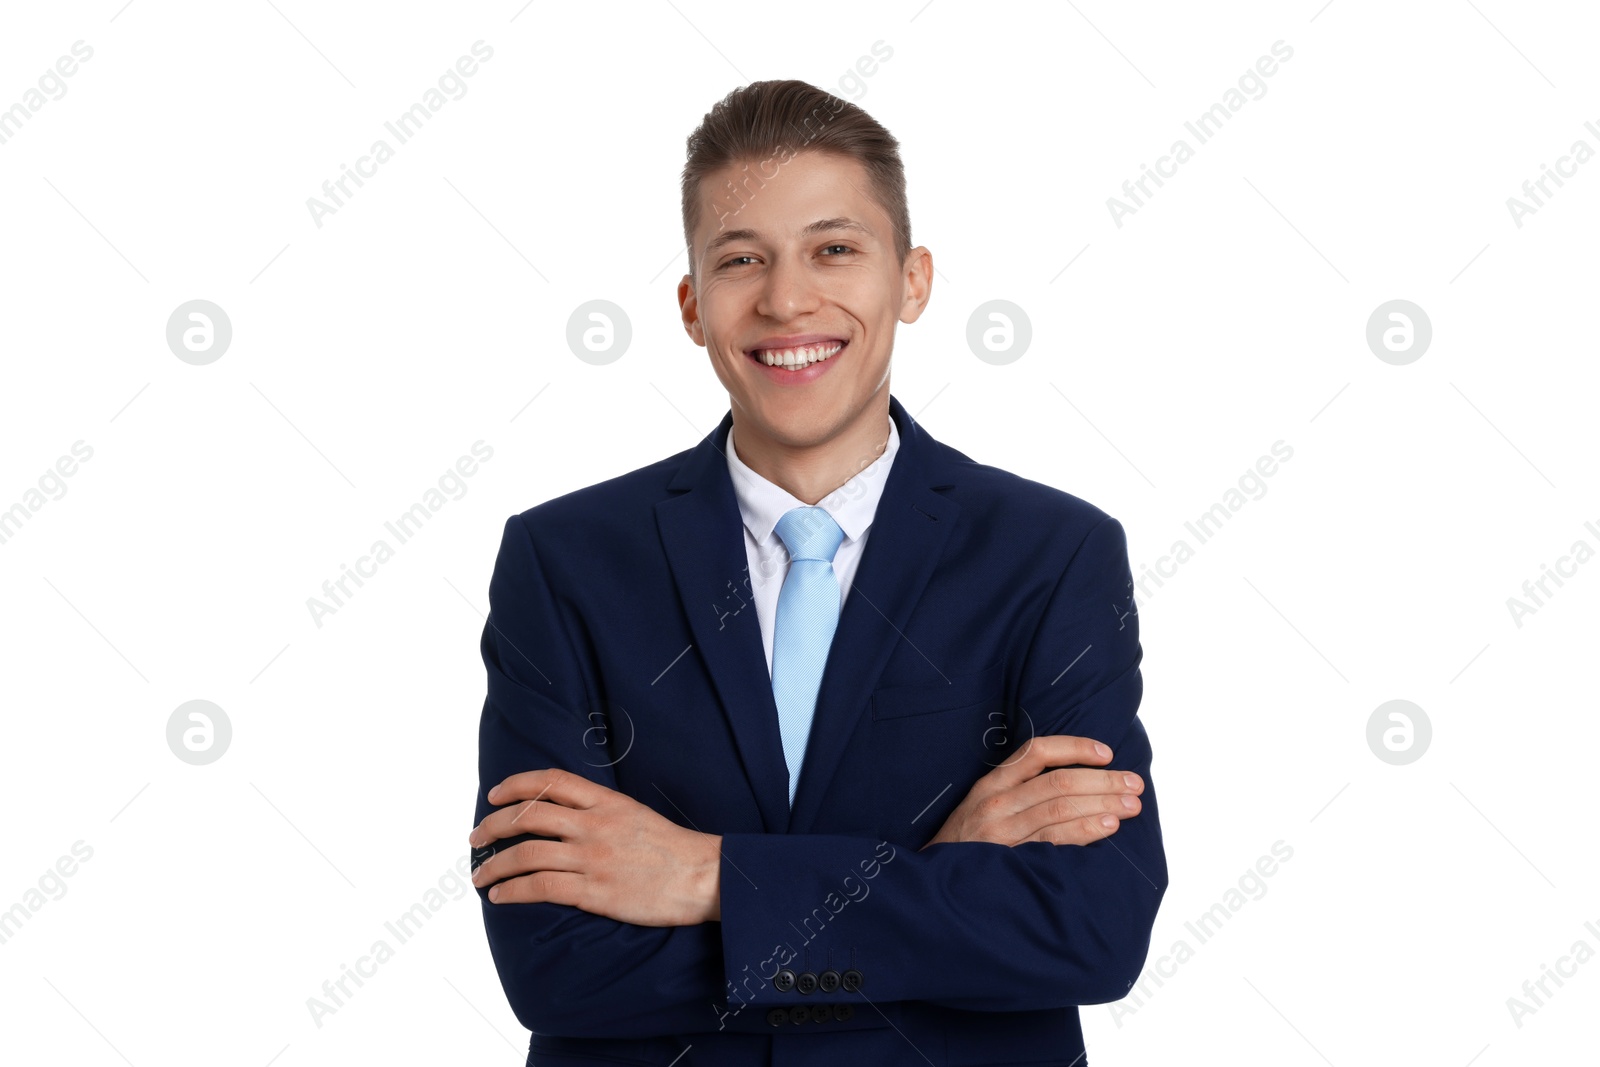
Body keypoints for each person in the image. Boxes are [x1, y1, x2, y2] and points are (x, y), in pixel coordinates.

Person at [468, 78, 1167, 1066]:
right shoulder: (565, 561)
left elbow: (1089, 930)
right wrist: (936, 876)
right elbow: (555, 962)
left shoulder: (1050, 554)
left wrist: (711, 877)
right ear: (691, 304)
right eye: (740, 258)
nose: (786, 297)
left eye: (833, 249)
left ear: (911, 280)